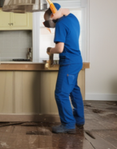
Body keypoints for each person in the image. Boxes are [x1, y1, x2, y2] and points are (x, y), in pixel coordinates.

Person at [43, 3, 85, 133]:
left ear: (53, 14)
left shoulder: (61, 23)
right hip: (77, 60)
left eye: (50, 20)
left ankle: (68, 124)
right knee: (74, 90)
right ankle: (79, 119)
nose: (52, 23)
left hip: (68, 62)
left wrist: (50, 50)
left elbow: (60, 48)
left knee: (61, 93)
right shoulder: (73, 18)